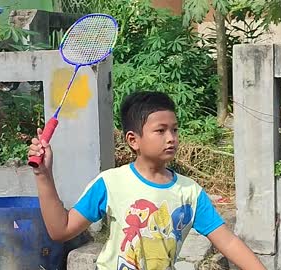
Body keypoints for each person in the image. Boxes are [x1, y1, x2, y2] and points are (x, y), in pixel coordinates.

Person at [29, 91, 266, 270]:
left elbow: (229, 243)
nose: (171, 138)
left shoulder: (189, 192)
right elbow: (60, 230)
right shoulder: (111, 183)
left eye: (174, 129)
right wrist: (43, 175)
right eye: (161, 131)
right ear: (133, 140)